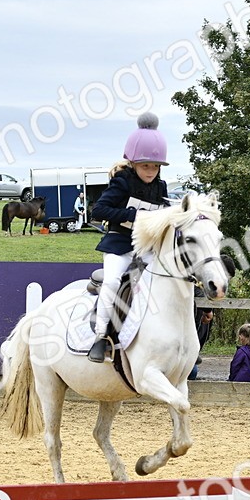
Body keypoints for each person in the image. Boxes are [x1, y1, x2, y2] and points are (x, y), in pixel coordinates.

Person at [87, 112, 169, 363]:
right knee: (112, 282)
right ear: (133, 163)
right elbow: (98, 211)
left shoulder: (161, 187)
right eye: (146, 166)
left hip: (146, 248)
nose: (151, 171)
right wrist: (133, 215)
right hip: (120, 244)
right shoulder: (122, 181)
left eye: (155, 166)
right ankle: (101, 337)